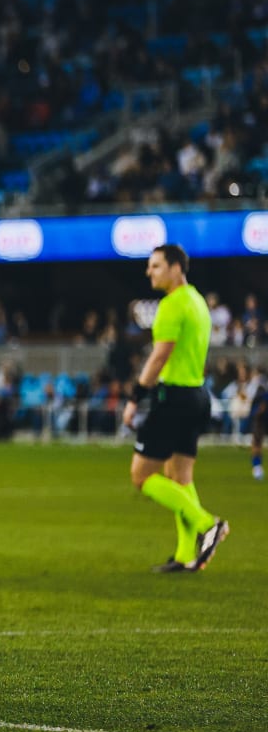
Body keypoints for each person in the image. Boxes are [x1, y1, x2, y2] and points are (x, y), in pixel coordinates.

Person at [121, 244, 230, 573]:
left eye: (155, 266)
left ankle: (208, 523)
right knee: (180, 478)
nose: (148, 272)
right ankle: (186, 556)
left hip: (173, 396)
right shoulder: (197, 302)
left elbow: (159, 356)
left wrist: (135, 396)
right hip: (198, 395)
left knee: (141, 476)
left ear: (175, 268)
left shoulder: (171, 305)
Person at [251, 379, 266, 480]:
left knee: (257, 443)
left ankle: (257, 468)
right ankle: (257, 468)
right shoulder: (260, 386)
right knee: (257, 443)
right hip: (260, 420)